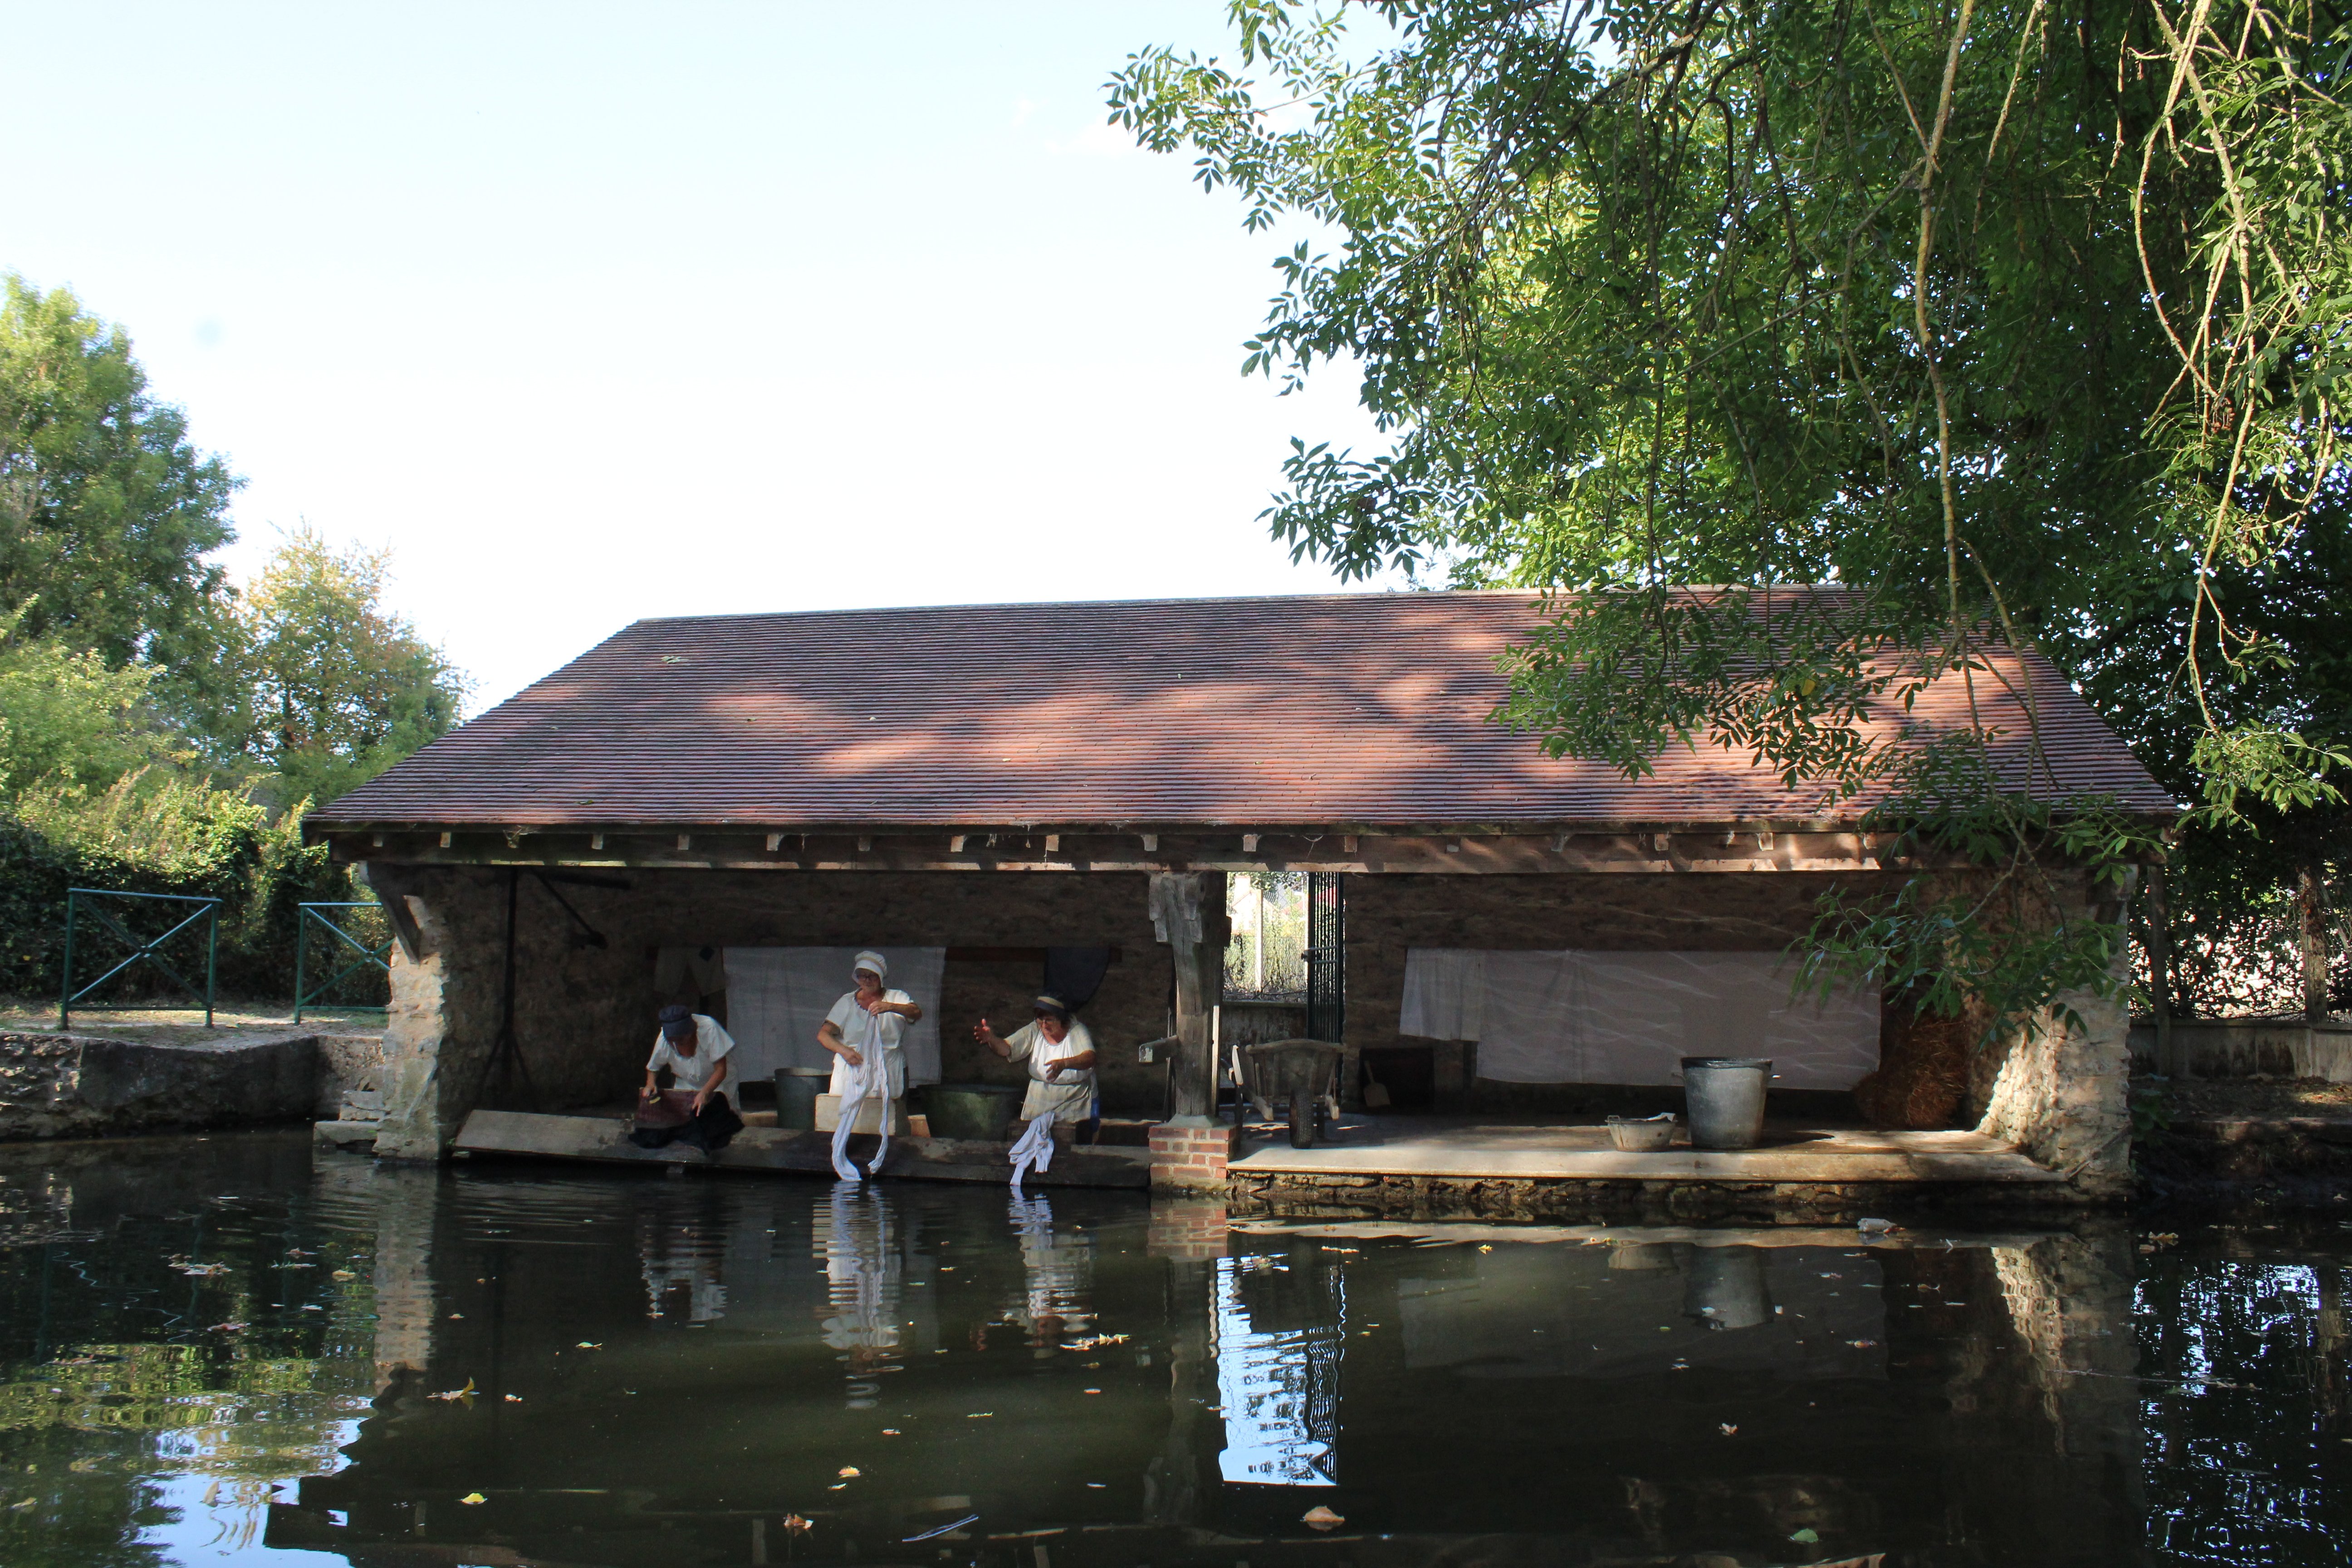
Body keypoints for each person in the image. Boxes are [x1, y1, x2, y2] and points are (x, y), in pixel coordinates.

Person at [819, 950, 924, 1181]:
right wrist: (845, 1051)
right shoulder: (847, 1002)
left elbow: (916, 1013)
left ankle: (886, 1163)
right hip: (853, 1068)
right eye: (862, 976)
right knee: (849, 1117)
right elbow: (824, 1035)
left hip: (888, 1066)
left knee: (889, 1117)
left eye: (872, 976)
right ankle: (844, 1158)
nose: (867, 980)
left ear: (880, 977)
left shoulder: (896, 997)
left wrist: (890, 1007)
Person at [633, 1003, 745, 1151]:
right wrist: (651, 1084)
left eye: (681, 1039)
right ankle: (684, 1156)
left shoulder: (709, 1028)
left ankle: (731, 1153)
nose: (676, 1043)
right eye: (672, 1039)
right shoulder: (665, 1040)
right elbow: (653, 1068)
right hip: (687, 1082)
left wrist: (705, 1093)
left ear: (692, 1030)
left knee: (724, 1121)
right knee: (683, 1121)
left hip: (719, 1082)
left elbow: (721, 1070)